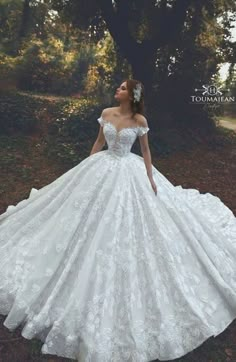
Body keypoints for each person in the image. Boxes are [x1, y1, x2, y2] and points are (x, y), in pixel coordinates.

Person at [0, 78, 236, 362]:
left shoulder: (140, 119)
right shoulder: (108, 113)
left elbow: (146, 151)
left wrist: (150, 176)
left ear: (133, 94)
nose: (118, 90)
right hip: (103, 167)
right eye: (119, 87)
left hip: (129, 171)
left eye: (123, 88)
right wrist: (84, 170)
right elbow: (99, 142)